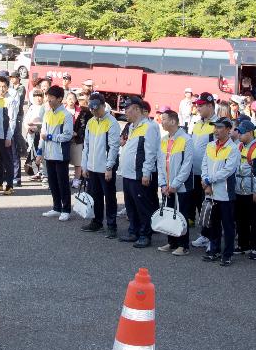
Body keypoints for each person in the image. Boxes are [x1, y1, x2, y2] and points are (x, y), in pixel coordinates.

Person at [118, 98, 160, 247]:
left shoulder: (150, 126)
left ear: (136, 109)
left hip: (139, 174)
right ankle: (133, 231)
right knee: (130, 205)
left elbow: (151, 152)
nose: (124, 112)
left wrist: (146, 173)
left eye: (127, 109)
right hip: (128, 173)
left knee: (143, 206)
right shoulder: (131, 126)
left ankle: (145, 234)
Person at [80, 93, 122, 236]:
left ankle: (111, 226)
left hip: (105, 168)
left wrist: (109, 167)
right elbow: (86, 146)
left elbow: (114, 147)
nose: (93, 111)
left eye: (96, 108)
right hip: (92, 167)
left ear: (104, 106)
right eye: (91, 109)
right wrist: (84, 165)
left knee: (109, 197)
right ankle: (96, 222)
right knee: (94, 196)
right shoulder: (91, 122)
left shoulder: (112, 123)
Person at [201, 117, 239, 265]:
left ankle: (227, 254)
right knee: (213, 223)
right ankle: (214, 250)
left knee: (228, 225)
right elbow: (205, 164)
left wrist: (209, 180)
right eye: (215, 127)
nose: (216, 130)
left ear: (228, 129)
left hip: (225, 193)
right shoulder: (210, 145)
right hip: (211, 191)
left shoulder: (233, 148)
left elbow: (228, 171)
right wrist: (206, 180)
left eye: (220, 127)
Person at [155, 107, 193, 254]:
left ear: (173, 121)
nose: (161, 122)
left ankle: (183, 246)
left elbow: (187, 166)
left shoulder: (186, 139)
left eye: (164, 119)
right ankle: (171, 242)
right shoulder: (164, 139)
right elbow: (160, 163)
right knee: (170, 213)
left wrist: (175, 184)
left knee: (181, 214)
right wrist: (163, 184)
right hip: (168, 186)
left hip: (181, 187)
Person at [187, 93, 219, 248]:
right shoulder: (197, 123)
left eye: (201, 105)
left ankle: (210, 237)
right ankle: (204, 234)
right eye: (197, 105)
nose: (198, 108)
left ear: (210, 106)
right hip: (194, 172)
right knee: (199, 205)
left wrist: (209, 178)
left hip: (207, 174)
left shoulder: (217, 125)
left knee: (208, 206)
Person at [233, 119, 256, 259]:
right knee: (241, 219)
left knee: (255, 221)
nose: (239, 135)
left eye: (241, 133)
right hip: (239, 189)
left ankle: (255, 247)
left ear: (249, 133)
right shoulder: (239, 147)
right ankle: (243, 244)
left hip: (253, 191)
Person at [39, 86, 74, 219]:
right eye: (48, 97)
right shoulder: (47, 113)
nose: (49, 100)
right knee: (52, 182)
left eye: (52, 98)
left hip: (60, 154)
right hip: (49, 154)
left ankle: (66, 210)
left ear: (60, 99)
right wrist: (39, 151)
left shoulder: (66, 115)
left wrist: (50, 137)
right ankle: (56, 207)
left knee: (63, 182)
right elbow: (43, 134)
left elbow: (67, 135)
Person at [0, 75, 18, 195]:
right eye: (0, 86)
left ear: (7, 87)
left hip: (5, 135)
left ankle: (10, 185)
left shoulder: (10, 100)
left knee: (8, 161)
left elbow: (12, 120)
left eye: (4, 86)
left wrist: (8, 137)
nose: (2, 88)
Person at [23, 88, 45, 180]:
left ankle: (43, 172)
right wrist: (28, 128)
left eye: (40, 96)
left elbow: (45, 122)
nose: (38, 98)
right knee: (33, 153)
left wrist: (36, 127)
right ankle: (36, 172)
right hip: (31, 135)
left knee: (40, 153)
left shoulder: (44, 108)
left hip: (41, 134)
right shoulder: (31, 107)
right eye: (36, 96)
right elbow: (25, 120)